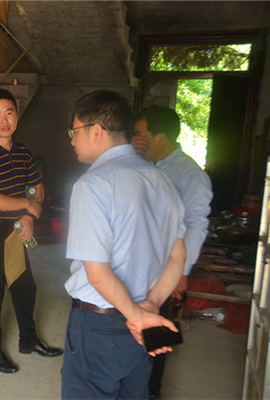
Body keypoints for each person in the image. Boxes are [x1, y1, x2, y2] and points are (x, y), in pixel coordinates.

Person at [62, 90, 187, 399]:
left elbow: (97, 275)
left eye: (74, 132)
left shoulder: (92, 185)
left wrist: (137, 316)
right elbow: (177, 256)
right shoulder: (163, 181)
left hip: (99, 325)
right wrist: (151, 306)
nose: (72, 141)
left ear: (96, 131)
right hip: (144, 319)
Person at [0, 88, 63, 375]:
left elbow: (36, 187)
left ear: (16, 115)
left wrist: (29, 216)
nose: (4, 120)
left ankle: (28, 341)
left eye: (9, 113)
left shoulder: (23, 153)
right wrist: (26, 205)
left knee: (25, 287)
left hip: (18, 230)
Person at [132, 105, 213, 399]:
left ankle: (151, 391)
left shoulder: (190, 174)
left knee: (156, 332)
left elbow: (196, 225)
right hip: (139, 263)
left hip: (166, 268)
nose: (136, 139)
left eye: (140, 133)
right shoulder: (143, 165)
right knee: (135, 326)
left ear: (161, 137)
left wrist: (182, 272)